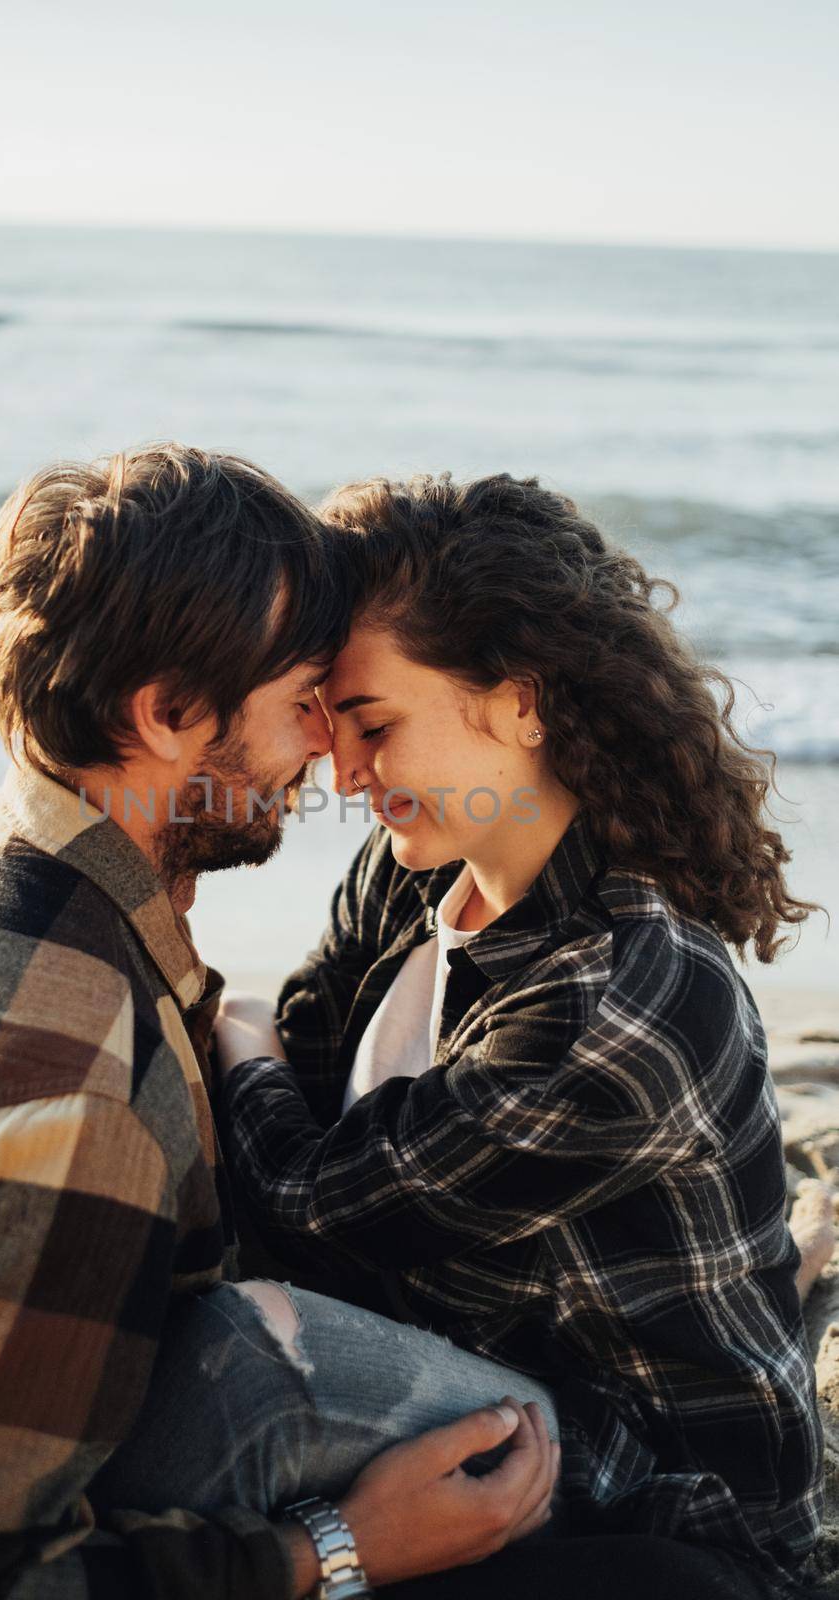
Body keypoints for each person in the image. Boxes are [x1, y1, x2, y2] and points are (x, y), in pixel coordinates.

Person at [0, 444, 561, 1600]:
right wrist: (333, 1551)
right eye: (302, 705)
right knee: (536, 1453)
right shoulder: (70, 1094)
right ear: (168, 712)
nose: (329, 756)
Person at [213, 471, 828, 1596]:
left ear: (518, 702)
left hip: (662, 1520)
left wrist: (234, 1031)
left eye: (375, 724)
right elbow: (301, 1068)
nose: (342, 776)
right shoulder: (415, 875)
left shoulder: (625, 996)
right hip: (479, 1404)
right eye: (328, 720)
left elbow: (301, 1198)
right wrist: (263, 1048)